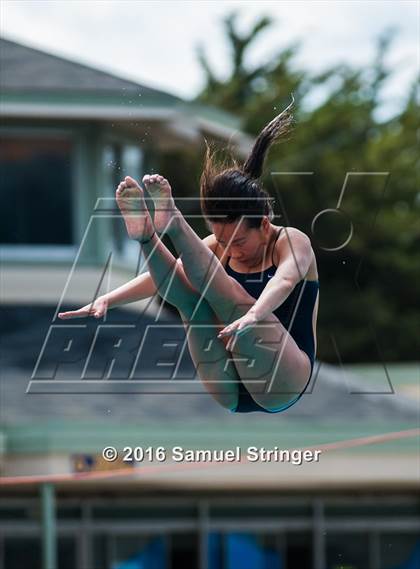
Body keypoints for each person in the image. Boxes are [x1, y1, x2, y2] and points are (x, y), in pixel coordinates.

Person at [59, 103, 319, 414]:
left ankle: (174, 222)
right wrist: (107, 299)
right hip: (228, 388)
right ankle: (147, 237)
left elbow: (286, 279)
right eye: (222, 240)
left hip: (281, 381)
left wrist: (254, 315)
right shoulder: (219, 248)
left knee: (232, 298)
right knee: (190, 300)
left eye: (238, 241)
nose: (231, 250)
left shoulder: (290, 241)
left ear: (264, 224)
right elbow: (163, 278)